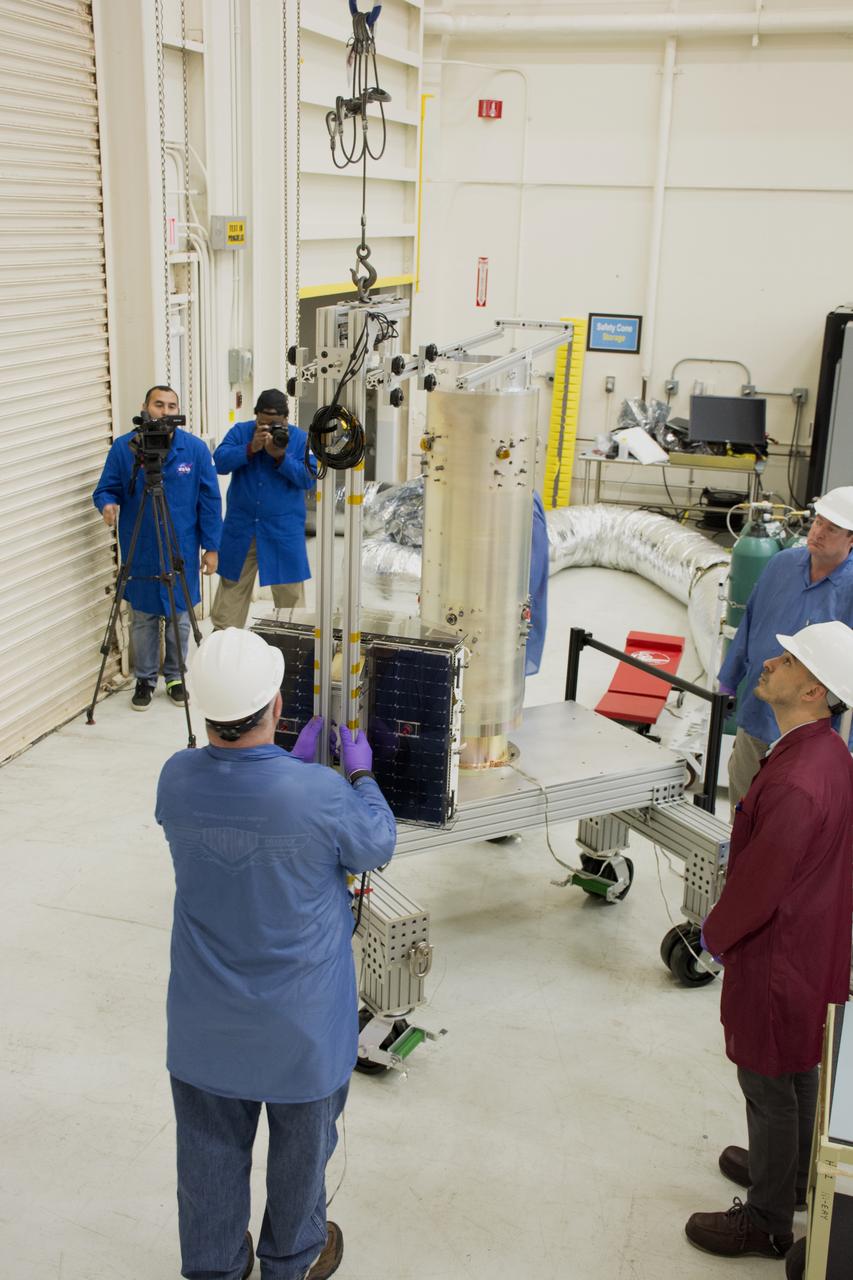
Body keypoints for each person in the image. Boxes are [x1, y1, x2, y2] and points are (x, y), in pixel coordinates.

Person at [156, 627, 397, 1280]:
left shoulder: (174, 780)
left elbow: (240, 816)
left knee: (207, 1158)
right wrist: (361, 772)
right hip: (303, 1031)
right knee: (300, 1157)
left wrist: (286, 763)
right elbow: (374, 843)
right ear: (277, 707)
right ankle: (291, 1261)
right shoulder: (318, 796)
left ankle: (213, 1268)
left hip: (205, 1027)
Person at [685, 620, 853, 1261]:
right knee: (799, 1067)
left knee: (767, 1076)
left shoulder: (793, 782)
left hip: (778, 954)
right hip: (813, 945)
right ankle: (795, 1175)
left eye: (788, 661)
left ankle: (768, 1220)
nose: (771, 663)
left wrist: (714, 935)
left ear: (814, 690)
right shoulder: (827, 754)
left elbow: (758, 889)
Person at [719, 485, 853, 809]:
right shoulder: (782, 565)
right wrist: (729, 680)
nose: (818, 532)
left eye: (831, 528)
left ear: (851, 539)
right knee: (744, 802)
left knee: (789, 815)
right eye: (818, 522)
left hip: (809, 733)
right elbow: (750, 620)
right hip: (758, 712)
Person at [93, 385, 221, 711]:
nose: (164, 411)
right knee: (143, 618)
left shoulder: (193, 450)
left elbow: (209, 501)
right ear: (145, 407)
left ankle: (176, 676)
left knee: (179, 617)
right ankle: (145, 679)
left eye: (171, 405)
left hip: (181, 548)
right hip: (143, 549)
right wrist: (107, 505)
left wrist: (212, 547)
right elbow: (105, 489)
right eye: (158, 404)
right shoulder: (125, 449)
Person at [210, 389, 317, 630]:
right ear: (255, 416)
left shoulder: (300, 439)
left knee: (291, 600)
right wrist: (250, 448)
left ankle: (292, 648)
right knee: (230, 594)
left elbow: (309, 479)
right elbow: (221, 461)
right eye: (263, 423)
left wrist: (281, 457)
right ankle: (224, 650)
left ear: (287, 419)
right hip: (242, 529)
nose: (269, 429)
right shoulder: (240, 432)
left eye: (275, 424)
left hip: (283, 532)